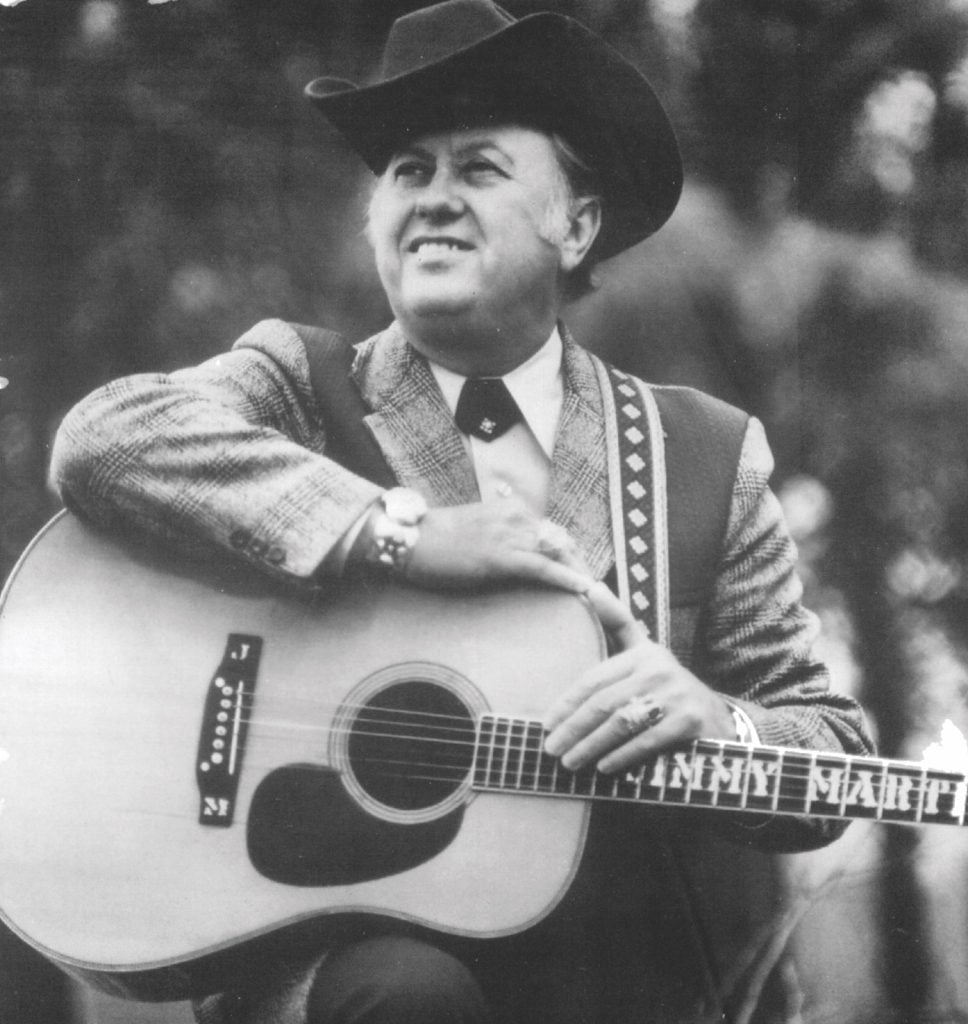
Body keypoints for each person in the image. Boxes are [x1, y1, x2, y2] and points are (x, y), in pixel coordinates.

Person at [50, 2, 873, 1022]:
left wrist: (723, 722)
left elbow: (833, 760)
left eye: (478, 168)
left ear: (576, 224)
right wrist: (390, 533)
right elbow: (107, 437)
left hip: (623, 982)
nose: (431, 198)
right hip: (351, 979)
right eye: (407, 170)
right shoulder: (297, 383)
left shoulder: (704, 453)